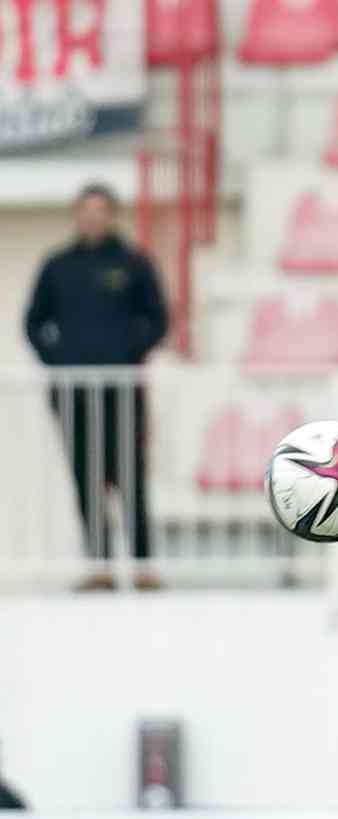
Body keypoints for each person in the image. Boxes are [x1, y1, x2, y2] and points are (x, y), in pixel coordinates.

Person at [24, 183, 168, 590]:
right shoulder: (57, 266)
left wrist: (127, 354)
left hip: (122, 392)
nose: (92, 218)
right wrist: (58, 362)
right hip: (72, 395)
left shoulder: (134, 263)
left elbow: (158, 320)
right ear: (77, 215)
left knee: (129, 476)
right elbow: (33, 323)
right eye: (86, 211)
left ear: (111, 215)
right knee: (87, 478)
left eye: (100, 210)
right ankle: (100, 568)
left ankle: (143, 567)